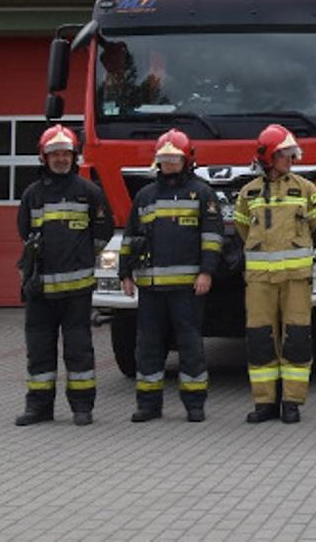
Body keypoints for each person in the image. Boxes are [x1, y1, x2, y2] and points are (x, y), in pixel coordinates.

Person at [13, 125, 114, 426]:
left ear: (74, 156)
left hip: (76, 291)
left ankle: (82, 407)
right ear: (44, 157)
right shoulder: (32, 195)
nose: (60, 159)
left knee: (79, 351)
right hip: (40, 290)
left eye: (65, 154)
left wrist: (81, 256)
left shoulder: (89, 192)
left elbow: (104, 231)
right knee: (39, 352)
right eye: (54, 154)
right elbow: (24, 232)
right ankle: (38, 408)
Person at [118, 129, 221, 423]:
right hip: (151, 289)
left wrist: (206, 272)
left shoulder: (202, 193)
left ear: (186, 160)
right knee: (147, 347)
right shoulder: (145, 195)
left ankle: (194, 404)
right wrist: (125, 273)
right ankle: (148, 405)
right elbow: (130, 237)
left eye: (174, 159)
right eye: (164, 159)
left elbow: (212, 238)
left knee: (190, 347)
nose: (169, 164)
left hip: (187, 289)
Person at [232, 125, 316, 425]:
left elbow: (315, 228)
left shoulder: (307, 189)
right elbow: (242, 230)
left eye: (291, 154)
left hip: (296, 278)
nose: (290, 159)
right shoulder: (248, 193)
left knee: (297, 338)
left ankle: (292, 402)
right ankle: (265, 403)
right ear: (268, 156)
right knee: (260, 339)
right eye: (284, 154)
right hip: (259, 281)